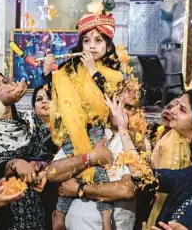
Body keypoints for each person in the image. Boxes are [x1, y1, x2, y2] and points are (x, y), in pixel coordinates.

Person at [43, 2, 123, 230]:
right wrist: (49, 74)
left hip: (99, 130)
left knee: (97, 171)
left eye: (98, 41)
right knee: (73, 171)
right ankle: (59, 217)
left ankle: (105, 222)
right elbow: (58, 95)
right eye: (86, 41)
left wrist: (92, 71)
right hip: (71, 131)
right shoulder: (70, 70)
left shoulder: (114, 75)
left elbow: (109, 97)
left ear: (108, 45)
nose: (92, 46)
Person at [48, 77, 148, 230]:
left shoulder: (138, 143)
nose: (118, 110)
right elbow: (52, 172)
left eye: (127, 106)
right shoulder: (89, 133)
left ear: (138, 112)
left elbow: (127, 190)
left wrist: (79, 190)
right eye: (115, 102)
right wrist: (91, 158)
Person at [0, 70, 53, 230]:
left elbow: (49, 153)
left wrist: (40, 166)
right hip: (2, 211)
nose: (4, 87)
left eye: (5, 82)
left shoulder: (31, 121)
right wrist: (13, 163)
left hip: (37, 204)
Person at [147, 88, 192, 228]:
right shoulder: (167, 140)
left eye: (182, 109)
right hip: (163, 214)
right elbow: (152, 177)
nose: (173, 111)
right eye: (176, 105)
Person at [31, 85, 59, 230]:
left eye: (49, 98)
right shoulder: (29, 132)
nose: (44, 102)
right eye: (39, 99)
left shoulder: (68, 129)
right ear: (33, 108)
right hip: (36, 188)